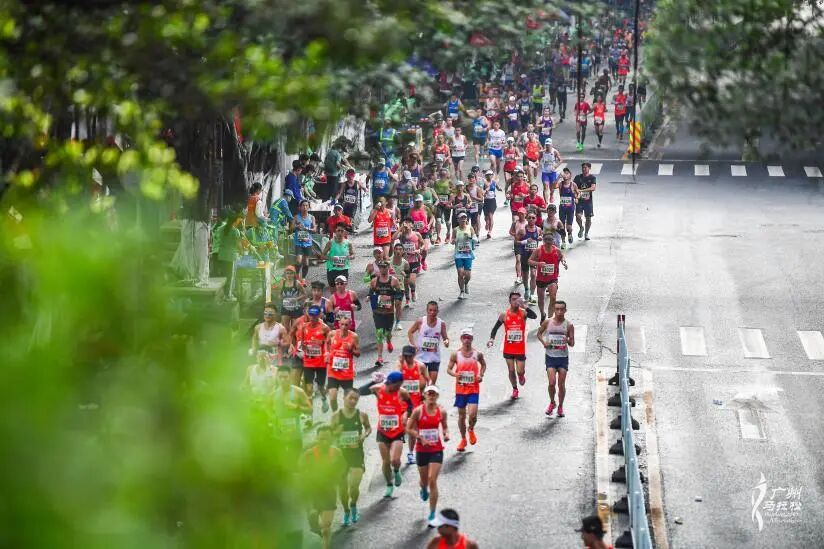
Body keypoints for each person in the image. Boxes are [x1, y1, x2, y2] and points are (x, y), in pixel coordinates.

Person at [362, 371, 414, 498]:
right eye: (390, 385)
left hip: (397, 431)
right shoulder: (378, 389)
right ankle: (389, 485)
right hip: (383, 431)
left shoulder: (402, 392)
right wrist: (373, 382)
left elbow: (410, 405)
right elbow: (360, 392)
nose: (392, 388)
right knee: (386, 462)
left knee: (395, 460)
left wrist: (406, 414)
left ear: (400, 384)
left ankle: (396, 471)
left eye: (396, 386)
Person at [406, 385, 449, 525]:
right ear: (424, 395)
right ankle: (423, 488)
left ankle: (432, 514)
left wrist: (446, 433)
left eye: (434, 394)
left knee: (432, 479)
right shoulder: (418, 411)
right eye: (429, 393)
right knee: (424, 481)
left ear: (437, 396)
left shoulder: (441, 411)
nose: (431, 396)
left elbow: (445, 426)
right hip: (421, 450)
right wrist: (420, 437)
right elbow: (408, 428)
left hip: (436, 450)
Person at [330, 390, 371, 526]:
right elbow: (329, 435)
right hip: (341, 456)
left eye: (356, 399)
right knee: (342, 489)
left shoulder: (362, 415)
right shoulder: (336, 416)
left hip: (356, 455)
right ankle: (346, 511)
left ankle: (353, 505)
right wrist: (337, 432)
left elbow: (368, 428)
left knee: (353, 487)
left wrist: (363, 436)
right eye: (350, 398)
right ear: (344, 398)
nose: (353, 401)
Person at [300, 425, 345, 549]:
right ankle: (315, 526)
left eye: (326, 439)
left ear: (331, 439)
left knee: (326, 527)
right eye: (321, 439)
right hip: (312, 493)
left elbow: (342, 469)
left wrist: (338, 479)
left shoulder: (336, 453)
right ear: (317, 438)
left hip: (329, 493)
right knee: (314, 520)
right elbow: (300, 471)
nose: (323, 442)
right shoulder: (308, 454)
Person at [487, 292, 537, 399]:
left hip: (520, 348)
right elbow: (495, 329)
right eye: (514, 299)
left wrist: (525, 306)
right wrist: (491, 339)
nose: (516, 301)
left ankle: (521, 376)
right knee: (510, 370)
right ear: (509, 301)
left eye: (518, 299)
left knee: (520, 371)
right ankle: (515, 389)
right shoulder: (504, 315)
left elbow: (534, 316)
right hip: (508, 347)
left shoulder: (523, 313)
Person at [447, 327, 486, 452]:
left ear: (472, 339)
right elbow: (448, 369)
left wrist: (481, 375)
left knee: (473, 415)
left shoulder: (477, 354)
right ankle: (463, 439)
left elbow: (484, 365)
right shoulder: (455, 354)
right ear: (461, 339)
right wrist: (455, 374)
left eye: (469, 338)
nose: (467, 340)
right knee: (461, 416)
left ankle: (471, 429)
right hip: (460, 390)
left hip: (473, 388)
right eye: (464, 338)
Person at [537, 300, 575, 417]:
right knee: (552, 383)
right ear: (554, 310)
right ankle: (552, 402)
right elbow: (539, 334)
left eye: (561, 309)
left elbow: (572, 343)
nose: (559, 312)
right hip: (551, 357)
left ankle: (560, 406)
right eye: (557, 309)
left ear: (565, 310)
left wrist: (567, 340)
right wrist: (544, 343)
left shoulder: (569, 325)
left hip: (563, 358)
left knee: (561, 384)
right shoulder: (547, 322)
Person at [273, 365, 312, 466]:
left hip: (295, 435)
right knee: (280, 463)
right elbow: (268, 410)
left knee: (295, 462)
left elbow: (310, 410)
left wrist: (296, 407)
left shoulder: (298, 392)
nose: (282, 380)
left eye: (285, 377)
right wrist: (273, 419)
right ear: (277, 377)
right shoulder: (273, 393)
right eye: (280, 377)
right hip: (279, 435)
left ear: (290, 377)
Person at [397, 345, 430, 464]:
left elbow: (428, 380)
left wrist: (424, 392)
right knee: (403, 424)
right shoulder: (401, 365)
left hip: (416, 402)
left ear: (414, 355)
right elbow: (396, 379)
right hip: (402, 402)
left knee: (412, 428)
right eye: (405, 356)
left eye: (409, 356)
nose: (407, 358)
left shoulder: (420, 366)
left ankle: (411, 453)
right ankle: (400, 438)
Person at [297, 305, 332, 412]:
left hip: (321, 362)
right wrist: (302, 350)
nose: (312, 318)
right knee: (309, 388)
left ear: (319, 315)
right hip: (308, 362)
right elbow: (301, 343)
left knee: (321, 387)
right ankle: (309, 412)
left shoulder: (325, 328)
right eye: (311, 316)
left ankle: (324, 398)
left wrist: (327, 353)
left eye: (315, 316)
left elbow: (330, 344)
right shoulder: (304, 327)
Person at [408, 300, 450, 386]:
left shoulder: (441, 324)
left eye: (434, 310)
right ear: (427, 311)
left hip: (434, 358)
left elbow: (446, 338)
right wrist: (413, 345)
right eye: (430, 310)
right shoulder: (420, 321)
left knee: (431, 385)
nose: (432, 312)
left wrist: (446, 342)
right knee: (421, 384)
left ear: (438, 311)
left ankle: (428, 397)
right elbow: (410, 332)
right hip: (420, 357)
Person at [528, 231, 568, 322]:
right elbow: (529, 261)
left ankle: (549, 319)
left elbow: (562, 257)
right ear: (543, 240)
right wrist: (538, 263)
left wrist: (564, 262)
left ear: (553, 240)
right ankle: (542, 313)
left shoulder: (556, 250)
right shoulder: (538, 250)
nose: (548, 241)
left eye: (550, 239)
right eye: (546, 239)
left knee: (553, 297)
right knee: (541, 299)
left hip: (552, 278)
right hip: (541, 279)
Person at [369, 260, 402, 367]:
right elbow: (371, 293)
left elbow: (399, 293)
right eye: (381, 267)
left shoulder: (394, 281)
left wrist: (395, 299)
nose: (383, 268)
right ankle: (380, 357)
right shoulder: (374, 281)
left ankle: (388, 341)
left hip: (389, 312)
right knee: (379, 333)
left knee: (387, 333)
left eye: (385, 266)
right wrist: (369, 298)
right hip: (378, 312)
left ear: (388, 267)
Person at [326, 316, 360, 412]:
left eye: (346, 325)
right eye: (342, 324)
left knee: (348, 400)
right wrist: (327, 353)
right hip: (333, 371)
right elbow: (327, 343)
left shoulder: (354, 336)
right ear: (338, 324)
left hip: (346, 373)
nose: (344, 327)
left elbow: (358, 353)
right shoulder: (332, 334)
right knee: (332, 397)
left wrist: (351, 350)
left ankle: (346, 417)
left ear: (350, 325)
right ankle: (335, 414)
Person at [515, 211, 542, 303]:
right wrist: (525, 241)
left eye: (533, 218)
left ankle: (532, 294)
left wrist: (540, 238)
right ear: (526, 218)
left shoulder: (538, 229)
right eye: (529, 217)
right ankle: (526, 289)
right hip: (525, 255)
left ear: (536, 219)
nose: (531, 219)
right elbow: (516, 242)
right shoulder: (522, 230)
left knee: (534, 274)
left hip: (534, 256)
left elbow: (541, 235)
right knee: (525, 275)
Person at [320, 223, 355, 289]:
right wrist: (331, 258)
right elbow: (322, 256)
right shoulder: (330, 242)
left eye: (342, 231)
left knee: (341, 290)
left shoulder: (348, 243)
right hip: (332, 269)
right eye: (338, 231)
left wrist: (350, 257)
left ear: (345, 232)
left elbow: (353, 255)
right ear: (335, 232)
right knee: (333, 290)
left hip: (343, 269)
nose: (340, 233)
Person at [398, 219, 422, 307]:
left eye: (409, 223)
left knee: (411, 282)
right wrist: (400, 228)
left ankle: (413, 292)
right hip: (404, 262)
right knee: (405, 283)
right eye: (405, 223)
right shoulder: (401, 235)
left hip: (414, 261)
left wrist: (418, 250)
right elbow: (392, 238)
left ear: (412, 225)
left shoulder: (417, 234)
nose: (407, 224)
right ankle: (407, 299)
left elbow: (422, 244)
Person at [275, 265, 306, 335]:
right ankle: (288, 343)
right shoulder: (282, 283)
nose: (289, 275)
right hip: (285, 307)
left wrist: (296, 299)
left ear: (294, 274)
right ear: (285, 274)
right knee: (285, 328)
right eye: (287, 273)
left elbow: (304, 294)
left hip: (296, 308)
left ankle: (294, 344)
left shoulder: (297, 283)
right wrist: (281, 297)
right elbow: (279, 294)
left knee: (294, 329)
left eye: (291, 273)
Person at [453, 212, 476, 300]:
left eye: (465, 218)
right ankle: (461, 291)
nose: (463, 219)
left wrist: (470, 238)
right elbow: (453, 239)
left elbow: (476, 240)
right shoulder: (455, 230)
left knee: (468, 275)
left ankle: (466, 283)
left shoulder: (470, 228)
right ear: (458, 220)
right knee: (460, 273)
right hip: (458, 254)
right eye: (461, 218)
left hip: (468, 254)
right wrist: (453, 241)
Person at [390, 241, 412, 331]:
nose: (398, 251)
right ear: (394, 250)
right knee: (390, 306)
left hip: (400, 287)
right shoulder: (388, 261)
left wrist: (405, 275)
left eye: (400, 249)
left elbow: (408, 276)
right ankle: (390, 321)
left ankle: (398, 322)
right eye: (396, 249)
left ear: (403, 251)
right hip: (389, 287)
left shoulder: (405, 263)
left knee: (398, 304)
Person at [292, 200, 317, 280]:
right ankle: (296, 275)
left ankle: (303, 279)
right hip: (298, 242)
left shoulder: (312, 217)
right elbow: (291, 228)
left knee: (306, 263)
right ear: (300, 207)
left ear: (309, 207)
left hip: (307, 243)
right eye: (303, 205)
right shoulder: (296, 217)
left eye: (306, 206)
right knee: (298, 260)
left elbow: (315, 230)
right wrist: (296, 226)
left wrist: (307, 229)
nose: (305, 207)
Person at [574, 162, 597, 240]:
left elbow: (593, 188)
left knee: (588, 218)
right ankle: (581, 227)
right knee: (578, 216)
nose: (584, 169)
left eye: (585, 167)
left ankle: (586, 233)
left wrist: (581, 190)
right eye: (583, 167)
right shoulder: (577, 177)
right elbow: (574, 187)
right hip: (580, 201)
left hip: (588, 202)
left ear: (589, 168)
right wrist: (576, 194)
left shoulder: (592, 178)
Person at [409, 195, 432, 271]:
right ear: (414, 202)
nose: (418, 203)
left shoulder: (426, 208)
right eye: (417, 201)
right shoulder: (411, 210)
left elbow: (432, 217)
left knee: (425, 249)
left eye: (420, 201)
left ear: (422, 201)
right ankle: (418, 263)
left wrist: (429, 224)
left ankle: (423, 260)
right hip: (415, 233)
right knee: (418, 250)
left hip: (424, 232)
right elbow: (408, 220)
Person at [557, 168, 579, 247]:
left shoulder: (573, 184)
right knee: (561, 226)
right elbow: (552, 187)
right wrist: (558, 178)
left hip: (570, 208)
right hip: (562, 208)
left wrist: (576, 198)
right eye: (564, 173)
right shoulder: (560, 184)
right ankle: (563, 242)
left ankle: (570, 234)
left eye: (567, 173)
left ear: (570, 175)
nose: (565, 175)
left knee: (569, 227)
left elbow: (578, 193)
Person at [539, 139, 562, 203]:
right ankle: (546, 202)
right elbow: (539, 158)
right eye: (546, 145)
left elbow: (560, 160)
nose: (547, 146)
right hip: (545, 172)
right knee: (545, 186)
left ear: (551, 145)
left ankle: (551, 195)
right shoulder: (543, 152)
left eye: (549, 145)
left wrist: (556, 166)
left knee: (552, 187)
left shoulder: (555, 151)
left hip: (552, 172)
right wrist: (537, 163)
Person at [481, 169, 498, 239]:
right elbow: (482, 191)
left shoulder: (494, 182)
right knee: (486, 217)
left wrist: (499, 189)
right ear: (486, 176)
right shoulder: (484, 183)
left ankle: (490, 232)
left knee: (491, 216)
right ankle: (487, 223)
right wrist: (485, 191)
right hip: (486, 201)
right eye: (488, 175)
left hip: (492, 201)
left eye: (491, 175)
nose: (489, 176)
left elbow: (497, 187)